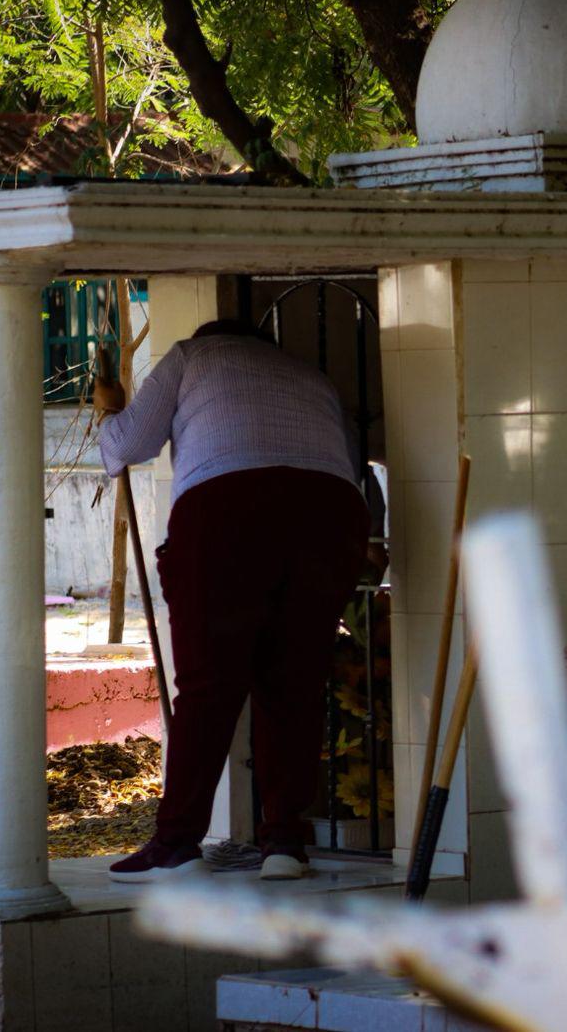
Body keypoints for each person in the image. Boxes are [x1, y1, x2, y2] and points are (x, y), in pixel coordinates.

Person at [93, 318, 369, 882]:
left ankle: (176, 843)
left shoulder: (190, 356)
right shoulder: (309, 375)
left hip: (227, 512)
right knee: (293, 684)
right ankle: (285, 844)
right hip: (331, 516)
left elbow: (129, 445)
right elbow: (351, 459)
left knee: (208, 685)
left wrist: (107, 414)